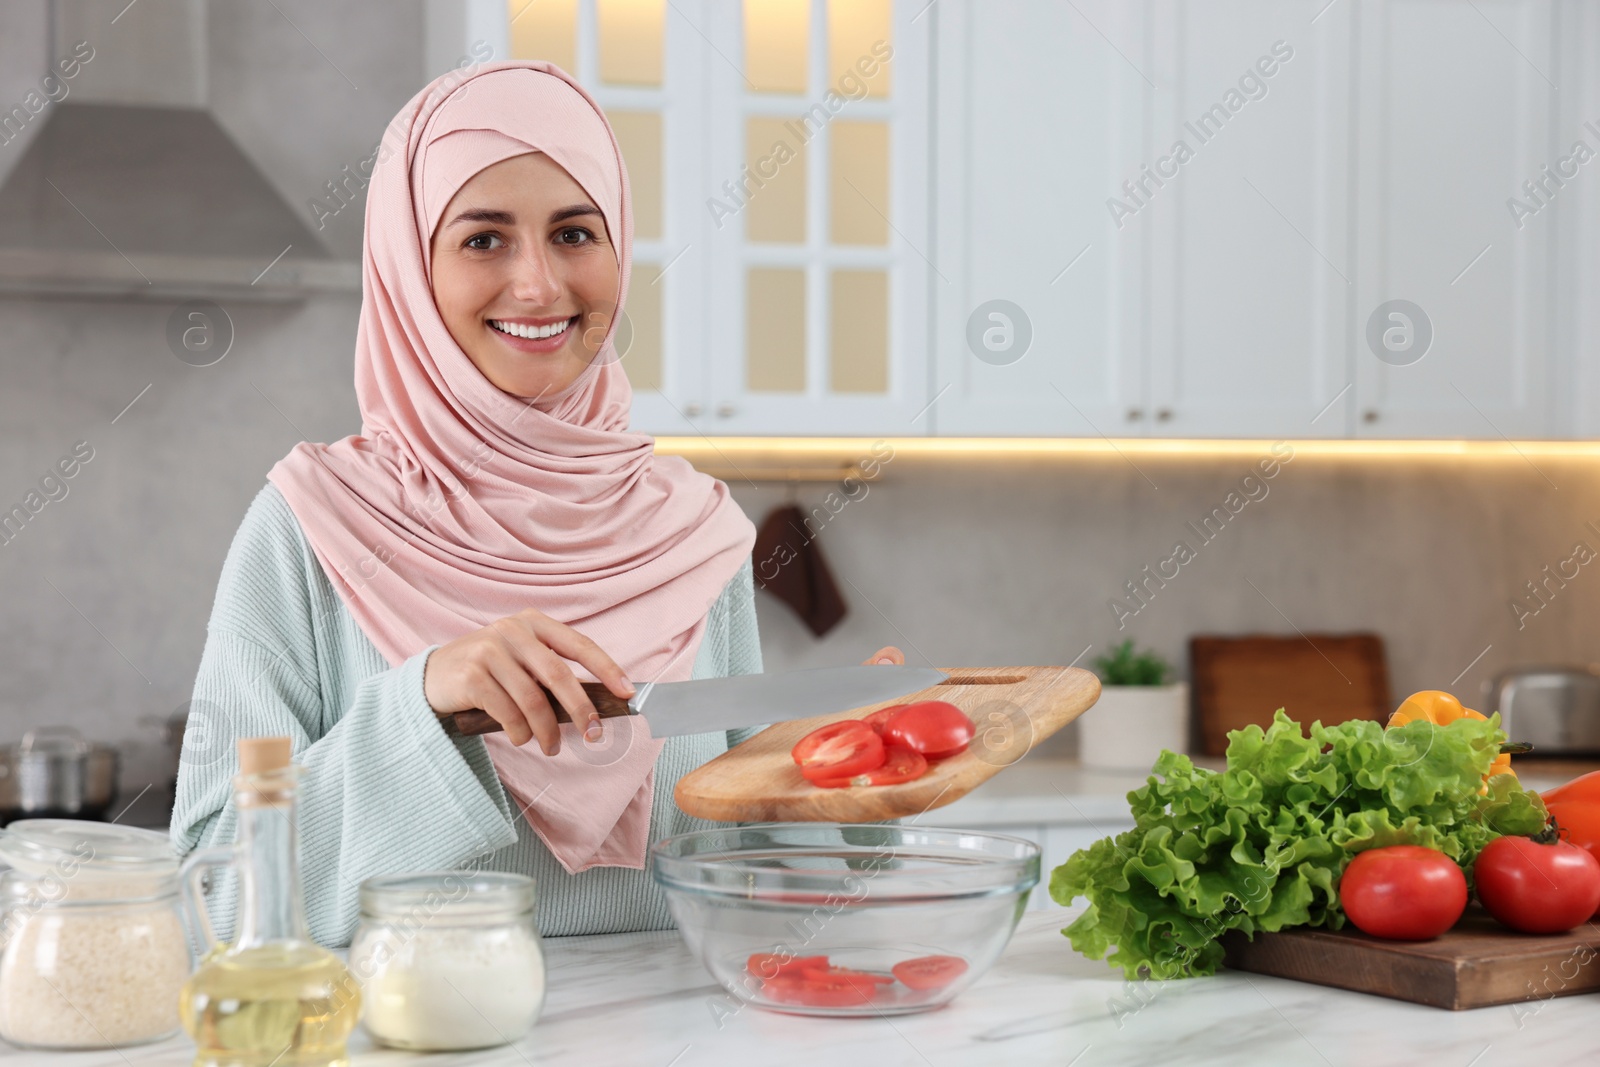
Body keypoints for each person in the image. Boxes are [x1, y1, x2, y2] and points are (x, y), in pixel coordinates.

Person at [170, 60, 902, 947]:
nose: (539, 286)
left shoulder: (695, 529)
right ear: (410, 268)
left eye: (574, 233)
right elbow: (212, 904)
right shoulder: (307, 527)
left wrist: (854, 779)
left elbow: (747, 861)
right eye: (484, 239)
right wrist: (422, 703)